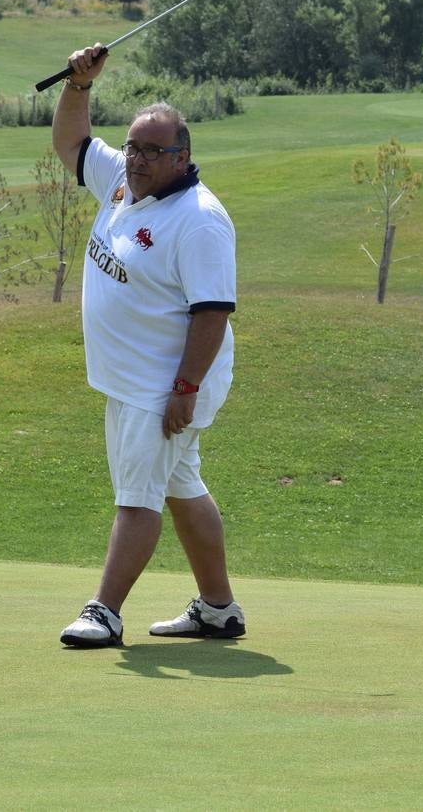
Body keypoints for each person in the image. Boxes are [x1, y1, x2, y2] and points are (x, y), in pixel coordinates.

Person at [51, 45, 246, 647]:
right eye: (132, 146)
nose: (135, 158)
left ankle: (104, 610)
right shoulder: (121, 183)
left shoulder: (200, 219)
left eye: (152, 150)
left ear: (183, 157)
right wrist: (78, 87)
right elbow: (71, 146)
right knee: (182, 486)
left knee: (138, 495)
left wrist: (184, 390)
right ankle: (218, 609)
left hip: (163, 383)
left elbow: (212, 314)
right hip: (134, 378)